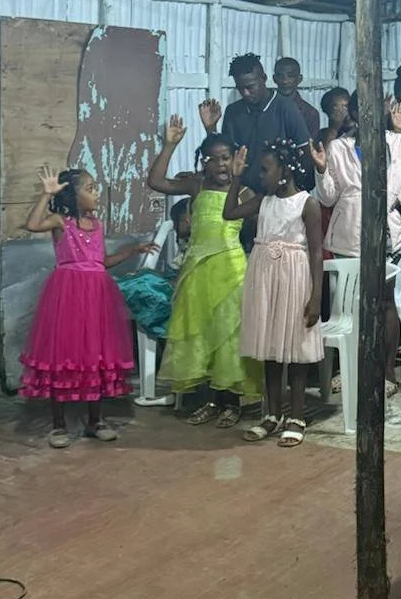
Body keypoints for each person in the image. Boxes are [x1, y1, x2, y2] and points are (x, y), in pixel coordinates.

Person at [310, 92, 401, 392]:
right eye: (361, 109)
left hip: (387, 237)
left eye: (375, 108)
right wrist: (320, 170)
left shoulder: (396, 143)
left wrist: (400, 195)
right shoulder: (339, 147)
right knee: (349, 307)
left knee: (385, 303)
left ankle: (386, 374)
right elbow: (328, 196)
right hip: (347, 237)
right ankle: (351, 370)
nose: (367, 114)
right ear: (353, 113)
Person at [20, 166, 153, 447]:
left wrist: (130, 251)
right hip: (67, 296)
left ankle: (96, 420)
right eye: (89, 188)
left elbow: (101, 262)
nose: (95, 193)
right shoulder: (60, 222)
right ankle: (58, 425)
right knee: (62, 355)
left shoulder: (98, 225)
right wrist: (46, 195)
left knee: (96, 355)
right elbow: (32, 224)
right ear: (72, 195)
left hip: (96, 297)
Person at [147, 116, 261, 425]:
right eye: (216, 160)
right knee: (203, 337)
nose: (222, 165)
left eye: (228, 158)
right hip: (197, 273)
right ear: (204, 162)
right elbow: (156, 182)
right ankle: (211, 402)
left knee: (229, 338)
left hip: (231, 270)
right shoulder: (196, 184)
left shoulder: (245, 191)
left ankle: (232, 404)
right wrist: (169, 145)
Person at [222, 142, 323, 447]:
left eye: (264, 169)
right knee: (270, 346)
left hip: (294, 276)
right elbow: (229, 213)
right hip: (265, 276)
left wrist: (316, 297)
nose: (260, 175)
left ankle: (296, 416)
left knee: (295, 348)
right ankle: (272, 414)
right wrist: (236, 178)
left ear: (285, 171)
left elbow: (317, 253)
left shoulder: (308, 204)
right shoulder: (263, 202)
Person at [219, 56, 310, 196]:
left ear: (264, 78)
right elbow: (226, 155)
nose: (245, 93)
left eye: (250, 87)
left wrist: (297, 192)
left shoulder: (286, 107)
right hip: (244, 196)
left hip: (279, 195)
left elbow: (305, 152)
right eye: (240, 89)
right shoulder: (233, 112)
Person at [116, 197, 192, 341]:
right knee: (141, 280)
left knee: (143, 283)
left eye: (179, 222)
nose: (176, 227)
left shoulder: (203, 244)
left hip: (184, 289)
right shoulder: (186, 242)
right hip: (174, 281)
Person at [273, 57, 321, 139]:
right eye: (280, 76)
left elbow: (311, 147)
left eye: (290, 76)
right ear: (274, 79)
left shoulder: (310, 113)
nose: (285, 81)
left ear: (299, 79)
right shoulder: (265, 107)